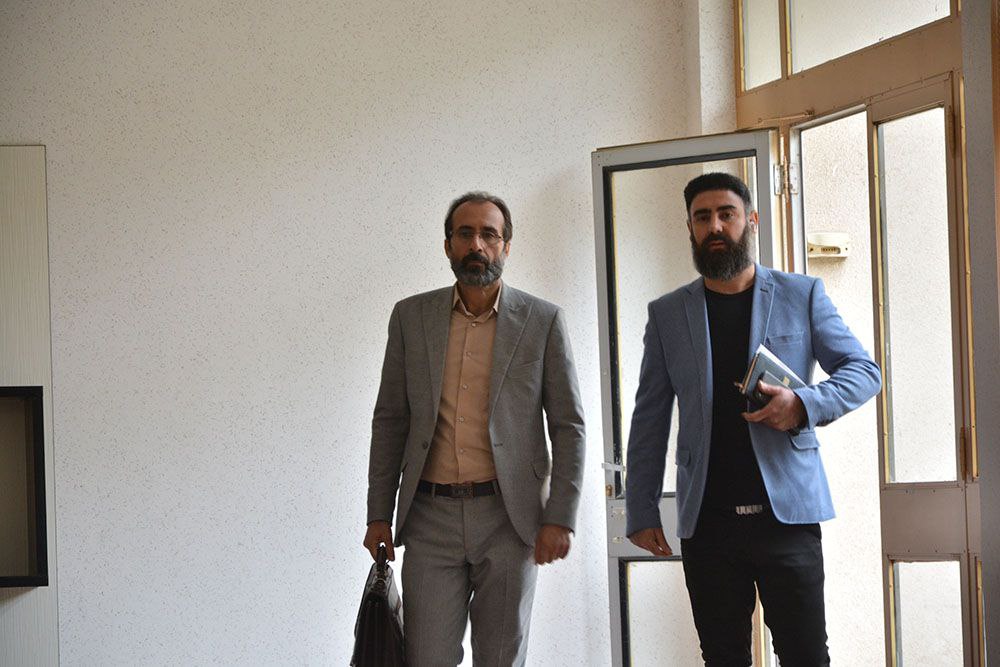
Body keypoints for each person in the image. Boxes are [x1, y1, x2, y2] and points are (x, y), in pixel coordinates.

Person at [625, 172, 881, 666]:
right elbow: (649, 418)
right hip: (708, 525)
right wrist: (641, 509)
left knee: (806, 656)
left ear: (752, 221)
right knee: (722, 659)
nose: (716, 226)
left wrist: (803, 404)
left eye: (727, 214)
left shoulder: (801, 294)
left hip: (788, 518)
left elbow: (863, 372)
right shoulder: (667, 314)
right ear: (690, 228)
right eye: (703, 218)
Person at [363, 191, 586, 666]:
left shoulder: (543, 321)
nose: (477, 245)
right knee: (426, 658)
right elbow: (390, 420)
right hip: (429, 517)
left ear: (507, 246)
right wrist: (378, 513)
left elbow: (568, 425)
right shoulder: (410, 318)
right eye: (465, 234)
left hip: (509, 518)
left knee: (502, 658)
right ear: (448, 245)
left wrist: (560, 516)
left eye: (489, 234)